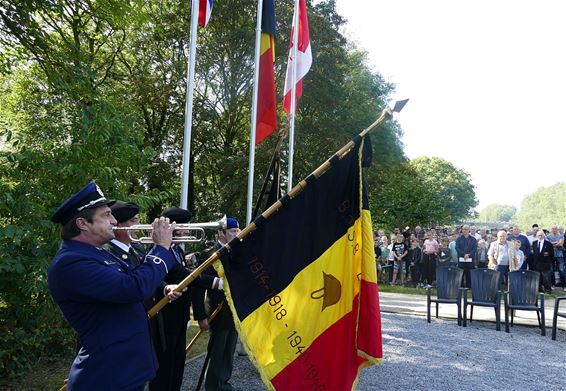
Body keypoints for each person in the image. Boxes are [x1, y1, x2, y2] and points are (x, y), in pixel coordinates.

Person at [48, 182, 178, 390]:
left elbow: (136, 277)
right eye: (107, 215)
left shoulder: (97, 253)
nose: (114, 221)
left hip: (127, 369)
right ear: (83, 223)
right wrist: (161, 248)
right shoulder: (71, 262)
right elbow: (134, 288)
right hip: (107, 376)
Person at [150, 207, 222, 391]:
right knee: (164, 369)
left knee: (177, 365)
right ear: (172, 227)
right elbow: (185, 275)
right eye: (185, 227)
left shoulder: (177, 251)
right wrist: (219, 283)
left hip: (179, 317)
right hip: (165, 320)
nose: (189, 231)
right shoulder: (159, 250)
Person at [193, 217, 241, 391]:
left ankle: (224, 382)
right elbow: (197, 285)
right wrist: (200, 316)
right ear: (221, 233)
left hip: (233, 311)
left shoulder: (236, 251)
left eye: (237, 231)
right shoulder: (209, 254)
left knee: (229, 351)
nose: (237, 234)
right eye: (232, 232)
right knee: (217, 351)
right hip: (217, 310)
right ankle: (213, 386)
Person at [104, 200, 146, 266]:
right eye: (133, 221)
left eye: (138, 221)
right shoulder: (107, 252)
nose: (138, 225)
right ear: (116, 225)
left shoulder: (137, 247)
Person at [546, 225, 565, 289]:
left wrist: (552, 244)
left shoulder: (561, 236)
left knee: (561, 270)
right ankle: (553, 285)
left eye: (555, 229)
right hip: (551, 256)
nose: (554, 230)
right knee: (551, 271)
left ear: (557, 229)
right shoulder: (548, 236)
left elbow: (561, 244)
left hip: (560, 256)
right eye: (553, 229)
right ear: (551, 229)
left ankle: (564, 285)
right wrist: (557, 243)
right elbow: (548, 245)